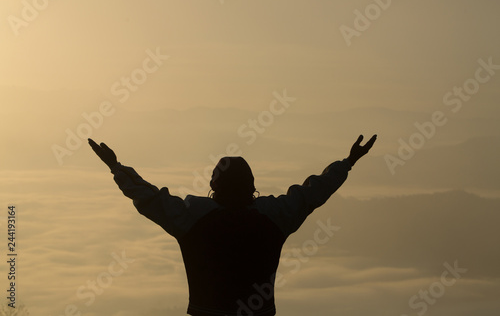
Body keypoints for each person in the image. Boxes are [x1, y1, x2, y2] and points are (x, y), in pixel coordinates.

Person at [88, 134, 376, 316]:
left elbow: (149, 197)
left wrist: (116, 167)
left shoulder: (191, 216)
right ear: (251, 186)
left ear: (214, 185)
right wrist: (348, 162)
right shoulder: (275, 214)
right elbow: (313, 192)